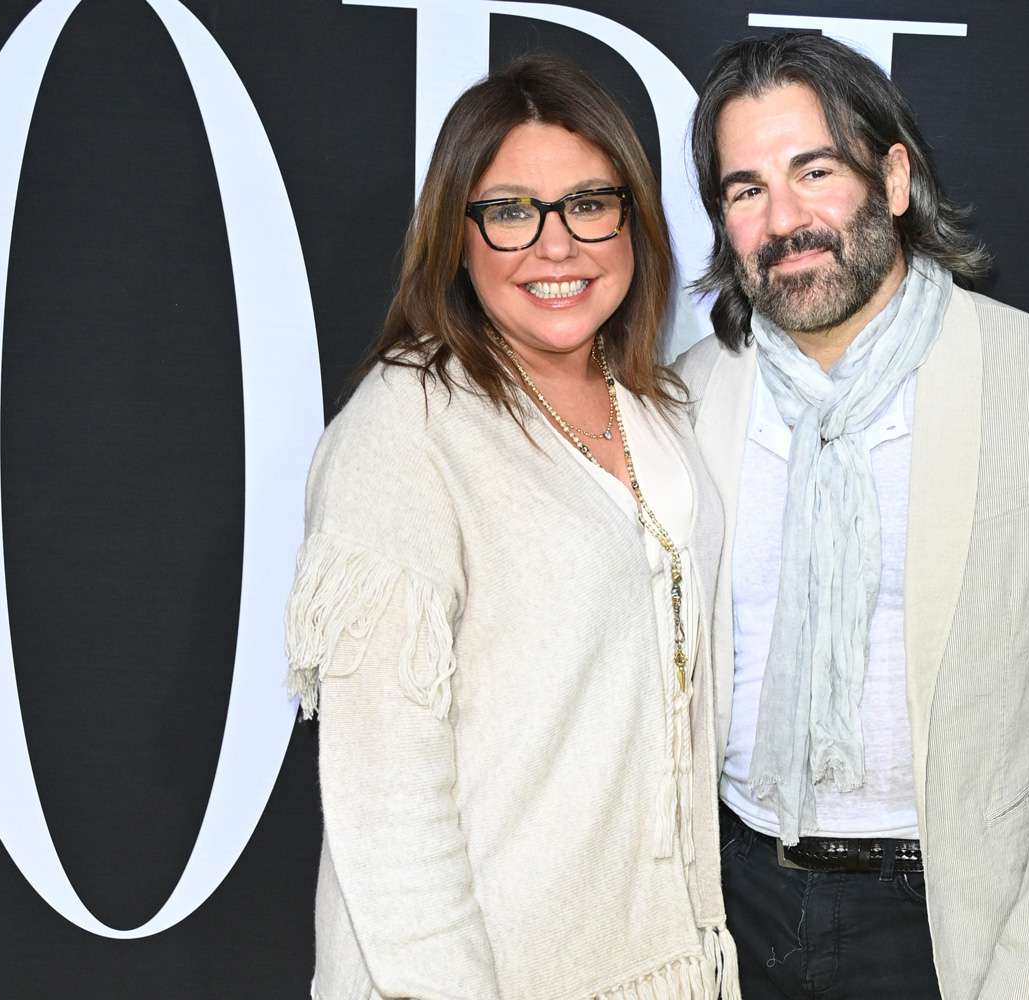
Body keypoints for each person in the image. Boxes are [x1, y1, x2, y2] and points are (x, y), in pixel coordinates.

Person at [675, 33, 1029, 1000]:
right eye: (746, 188)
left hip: (948, 917)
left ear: (893, 178)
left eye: (816, 171)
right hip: (726, 907)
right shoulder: (684, 401)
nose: (785, 219)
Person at [284, 55, 740, 1000]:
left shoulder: (659, 406)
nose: (556, 245)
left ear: (634, 219)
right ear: (457, 237)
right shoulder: (405, 428)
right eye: (510, 211)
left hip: (658, 959)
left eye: (588, 203)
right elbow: (386, 801)